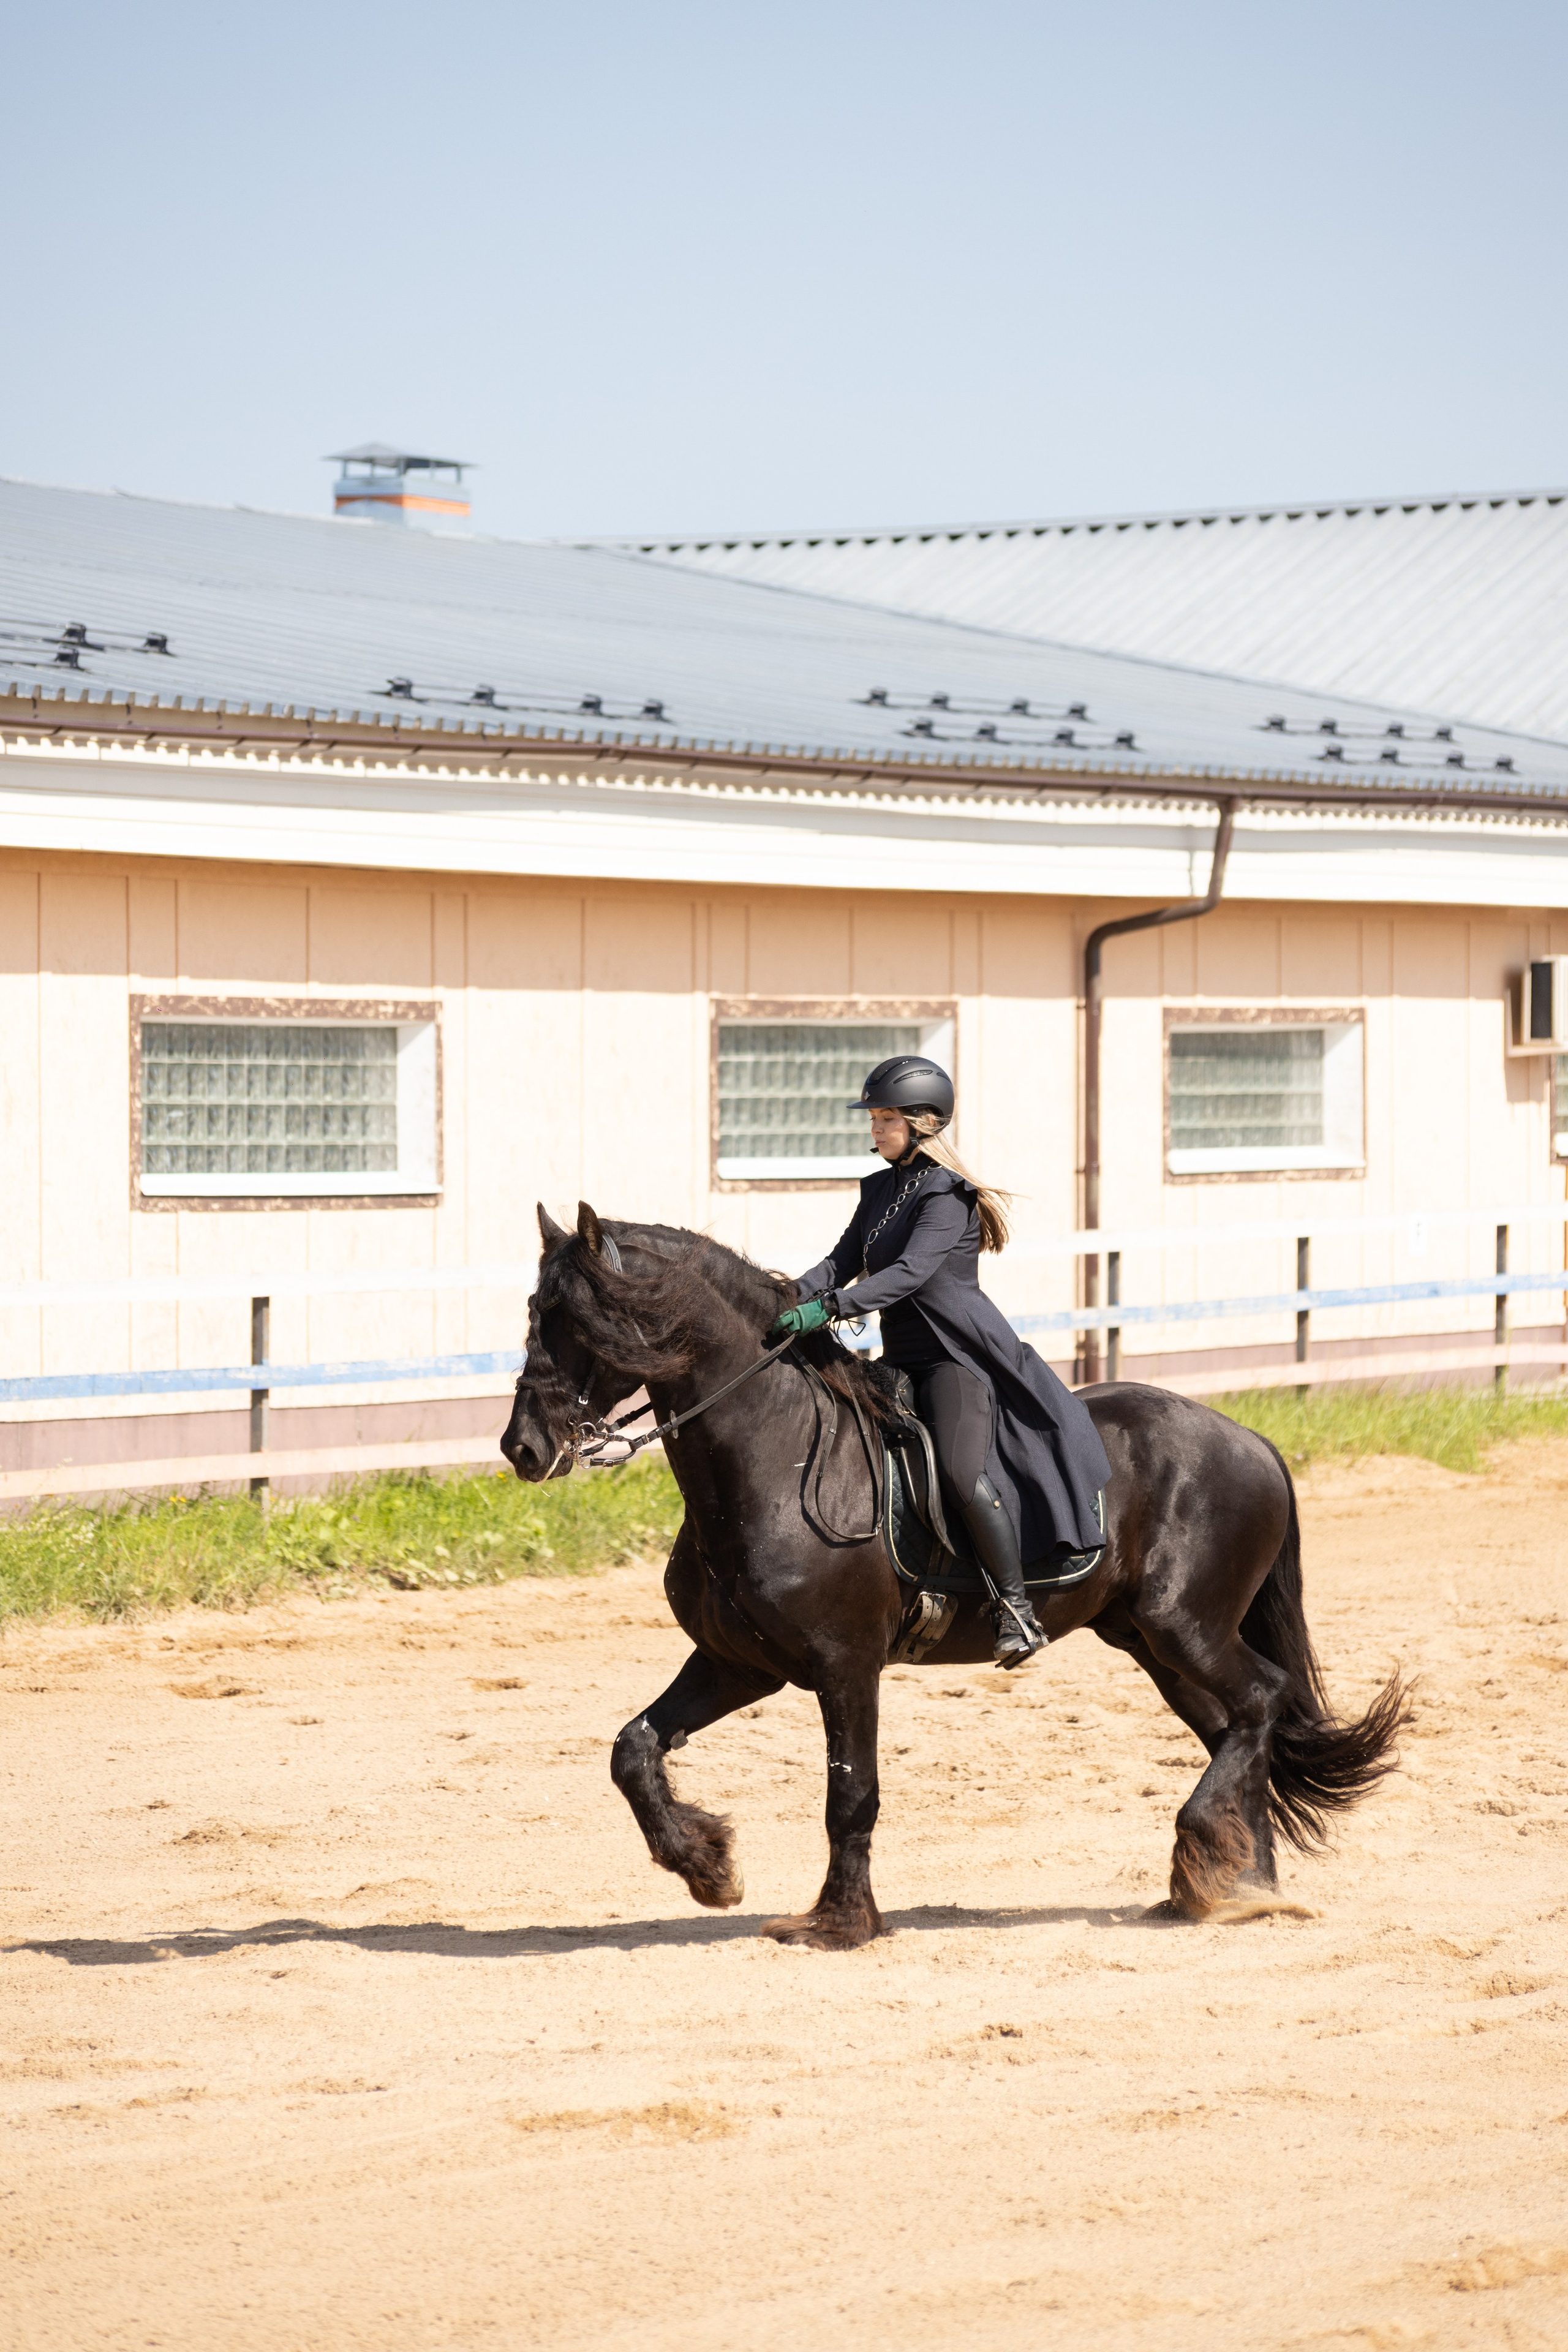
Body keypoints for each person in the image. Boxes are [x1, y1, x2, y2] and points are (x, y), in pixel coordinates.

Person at [768, 1055, 1111, 1667]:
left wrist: (829, 1310)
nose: (874, 1129)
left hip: (956, 1356)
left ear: (921, 1123)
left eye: (884, 1119)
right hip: (900, 1357)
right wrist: (782, 1298)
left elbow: (908, 1274)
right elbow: (838, 1261)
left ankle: (1015, 1611)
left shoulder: (946, 1193)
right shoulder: (880, 1190)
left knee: (957, 1471)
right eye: (872, 1119)